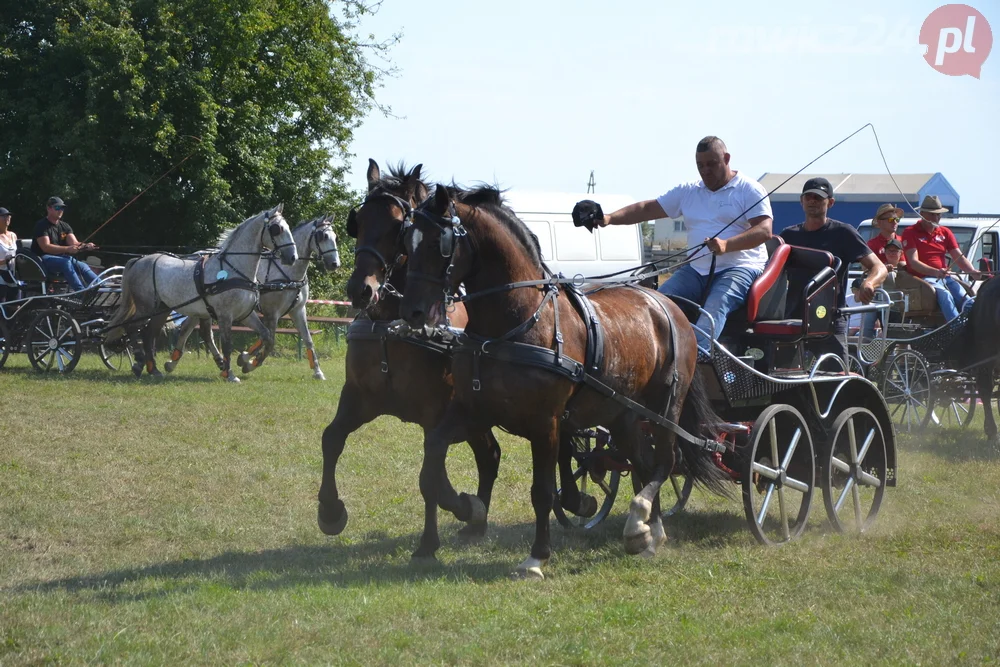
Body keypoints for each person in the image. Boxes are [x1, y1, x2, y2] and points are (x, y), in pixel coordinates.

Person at [593, 136, 773, 355]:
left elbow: (764, 230)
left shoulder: (749, 189)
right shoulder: (689, 191)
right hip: (697, 270)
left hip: (740, 268)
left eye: (711, 164)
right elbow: (647, 208)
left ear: (726, 159)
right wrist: (609, 218)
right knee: (656, 303)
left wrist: (726, 245)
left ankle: (696, 365)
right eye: (700, 165)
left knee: (714, 309)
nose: (705, 171)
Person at [779, 177, 887, 363]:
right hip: (794, 319)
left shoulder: (843, 233)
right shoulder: (788, 236)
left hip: (829, 319)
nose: (813, 201)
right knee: (783, 378)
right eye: (809, 197)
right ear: (801, 201)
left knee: (837, 380)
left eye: (819, 197)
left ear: (830, 202)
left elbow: (879, 267)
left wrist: (869, 283)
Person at [901, 194, 979, 321]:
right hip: (923, 279)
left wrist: (972, 271)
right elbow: (914, 262)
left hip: (944, 277)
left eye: (938, 214)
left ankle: (974, 326)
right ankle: (956, 329)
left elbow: (958, 257)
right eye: (932, 214)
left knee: (966, 298)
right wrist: (936, 272)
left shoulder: (945, 232)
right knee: (945, 295)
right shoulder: (910, 232)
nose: (936, 217)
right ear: (922, 213)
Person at [31, 196, 99, 292]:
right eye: (57, 208)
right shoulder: (41, 225)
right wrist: (67, 249)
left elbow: (74, 243)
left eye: (62, 208)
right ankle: (81, 292)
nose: (60, 210)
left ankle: (102, 286)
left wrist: (86, 246)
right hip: (43, 259)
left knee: (83, 266)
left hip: (62, 258)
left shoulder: (65, 226)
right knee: (66, 262)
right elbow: (46, 247)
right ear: (49, 208)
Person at [867, 203, 906, 268]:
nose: (895, 222)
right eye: (891, 220)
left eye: (897, 219)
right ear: (880, 222)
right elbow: (867, 267)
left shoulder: (904, 242)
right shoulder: (872, 245)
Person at [0, 207, 18, 301]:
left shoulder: (13, 235)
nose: (7, 218)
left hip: (13, 275)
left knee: (15, 307)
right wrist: (5, 261)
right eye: (4, 216)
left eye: (9, 216)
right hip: (1, 276)